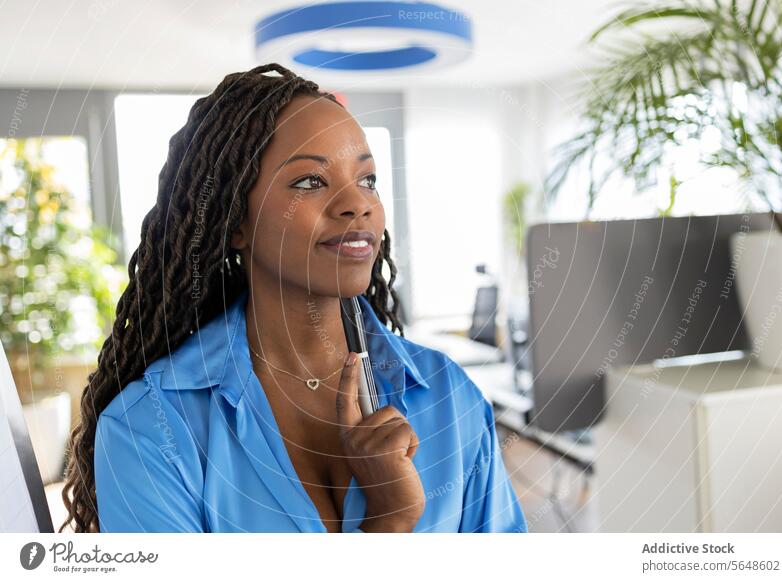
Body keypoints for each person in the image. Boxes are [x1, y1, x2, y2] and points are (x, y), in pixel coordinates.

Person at [60, 63, 528, 533]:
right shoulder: (151, 429)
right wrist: (389, 523)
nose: (358, 203)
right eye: (310, 182)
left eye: (367, 180)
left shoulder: (449, 398)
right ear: (235, 221)